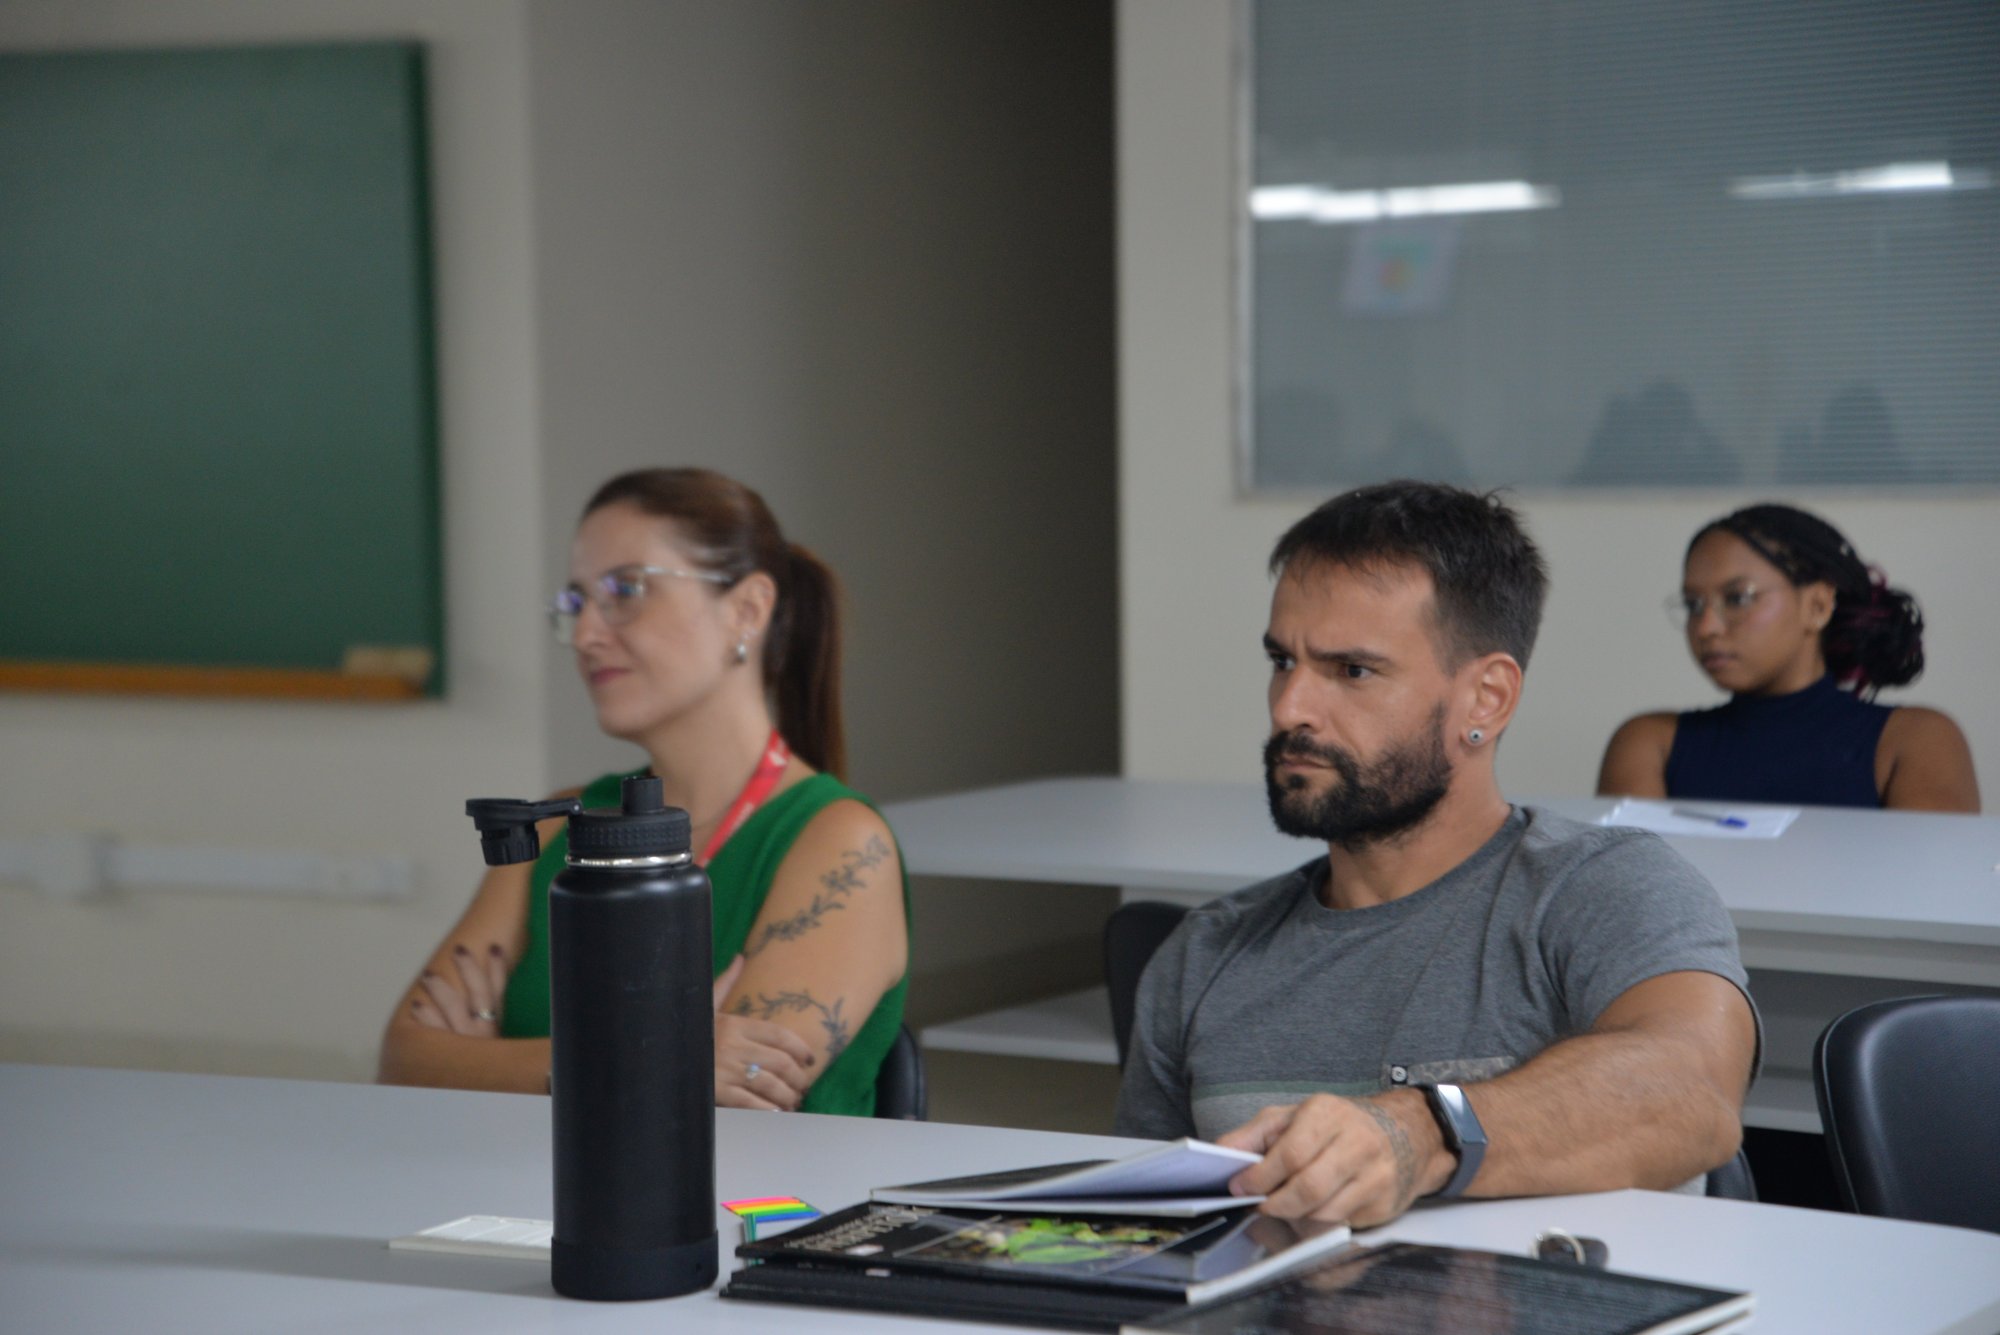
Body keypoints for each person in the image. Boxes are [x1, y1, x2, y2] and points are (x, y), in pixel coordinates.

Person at [1114, 481, 1759, 1229]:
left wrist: (1422, 1133)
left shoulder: (1606, 888)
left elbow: (1692, 1090)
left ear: (1486, 698)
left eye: (1352, 671)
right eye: (1282, 661)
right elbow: (1141, 1232)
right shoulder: (1204, 955)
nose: (1290, 708)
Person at [378, 468, 909, 1116]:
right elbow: (404, 1062)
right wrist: (640, 1057)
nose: (585, 634)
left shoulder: (840, 843)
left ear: (747, 609)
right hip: (515, 1183)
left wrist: (496, 1064)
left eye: (625, 590)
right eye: (576, 602)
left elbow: (733, 1105)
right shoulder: (556, 828)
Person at [1598, 503, 1978, 812]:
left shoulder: (1914, 740)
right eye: (1694, 604)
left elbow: (1931, 880)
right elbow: (1632, 884)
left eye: (1738, 598)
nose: (1706, 627)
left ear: (1817, 605)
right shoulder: (1650, 743)